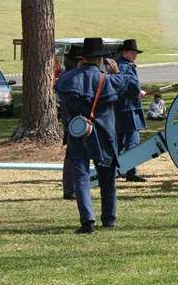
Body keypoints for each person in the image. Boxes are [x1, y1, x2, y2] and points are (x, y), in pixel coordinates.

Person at [54, 37, 140, 233]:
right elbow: (134, 89)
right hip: (105, 134)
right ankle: (108, 219)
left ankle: (87, 221)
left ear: (83, 58)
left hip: (79, 133)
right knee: (107, 179)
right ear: (101, 59)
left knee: (81, 178)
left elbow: (59, 92)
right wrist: (117, 72)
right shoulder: (110, 80)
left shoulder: (68, 79)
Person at [114, 39, 148, 182]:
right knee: (132, 141)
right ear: (124, 52)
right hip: (128, 108)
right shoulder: (125, 67)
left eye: (136, 53)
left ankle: (118, 170)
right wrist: (137, 92)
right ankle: (131, 172)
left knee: (120, 142)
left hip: (121, 108)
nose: (134, 55)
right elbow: (126, 84)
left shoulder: (120, 64)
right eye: (132, 52)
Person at [59, 44, 83, 201]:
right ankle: (70, 189)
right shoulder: (72, 77)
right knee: (73, 156)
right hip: (75, 120)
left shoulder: (67, 76)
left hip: (71, 119)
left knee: (72, 155)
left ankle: (72, 188)